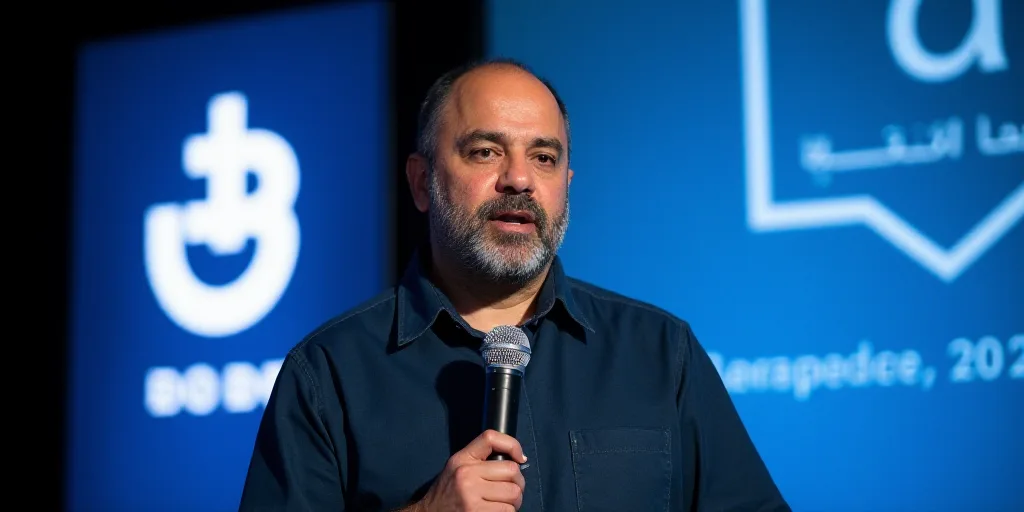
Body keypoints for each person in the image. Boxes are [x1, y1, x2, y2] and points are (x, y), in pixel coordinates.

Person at [237, 58, 790, 512]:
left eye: (543, 158)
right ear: (422, 182)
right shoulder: (329, 372)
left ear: (566, 184)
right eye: (486, 151)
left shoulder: (660, 352)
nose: (519, 179)